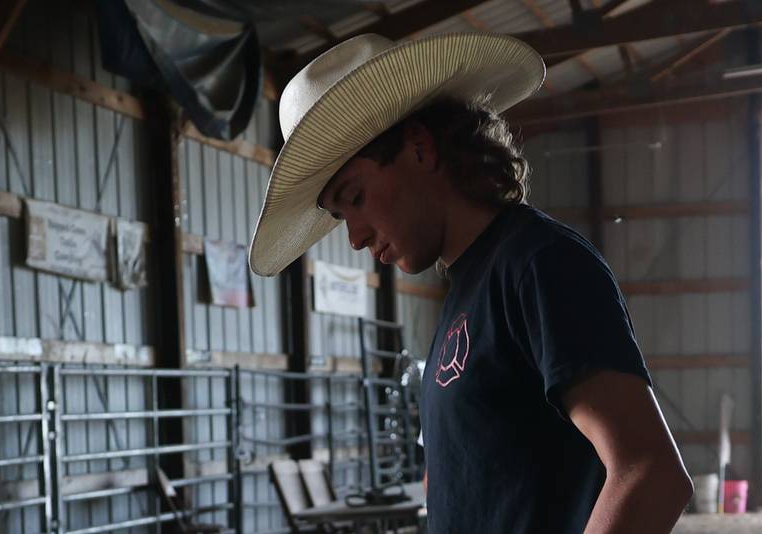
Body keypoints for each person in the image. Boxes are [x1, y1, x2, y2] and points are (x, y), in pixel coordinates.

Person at [249, 32, 693, 533]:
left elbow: (649, 472)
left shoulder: (539, 265)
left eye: (355, 197)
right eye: (338, 214)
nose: (353, 237)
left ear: (419, 149)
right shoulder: (465, 292)